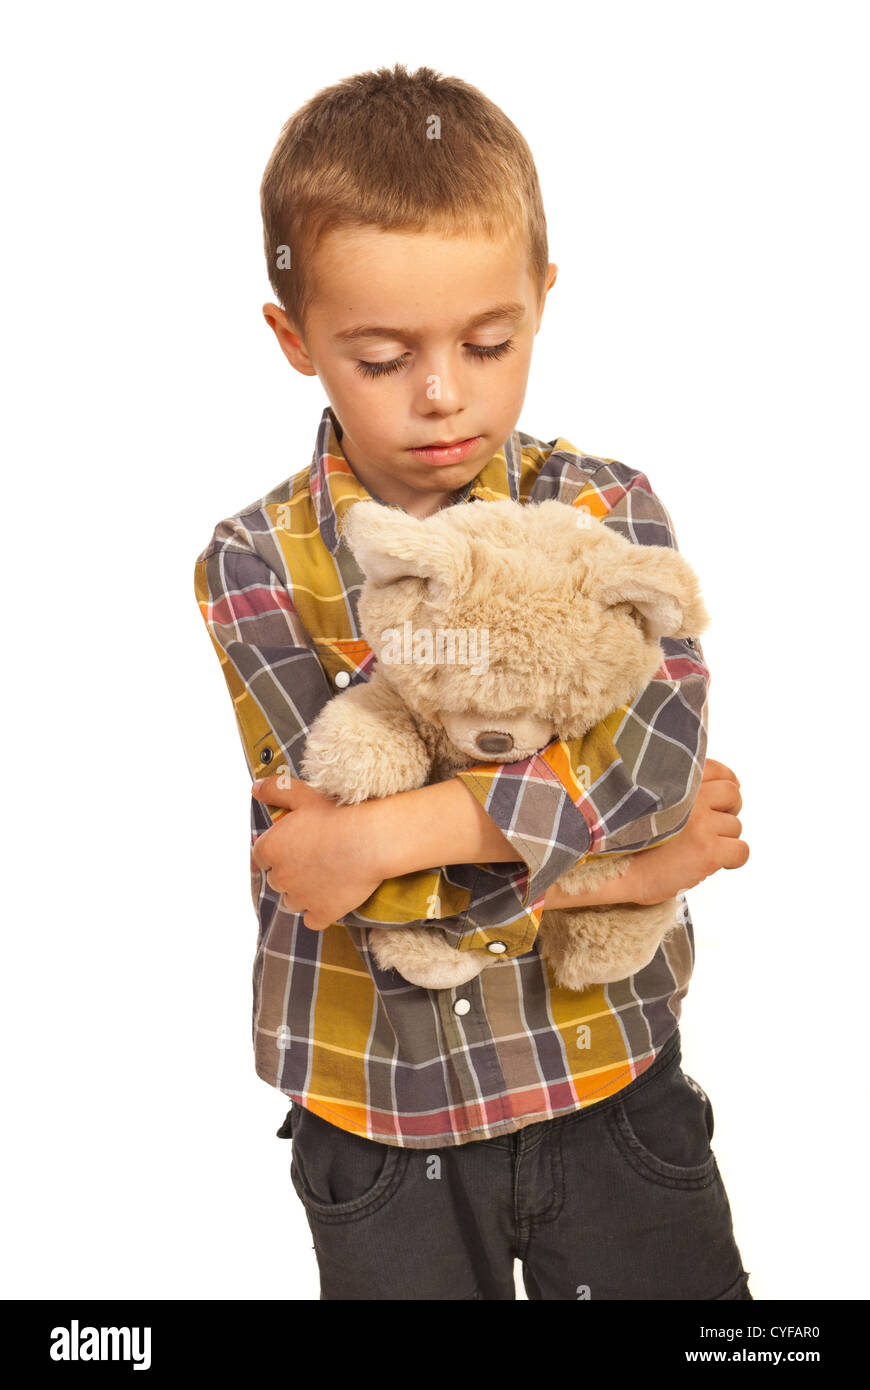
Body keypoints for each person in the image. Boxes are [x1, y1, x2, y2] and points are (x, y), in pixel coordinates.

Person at [193, 62, 752, 1300]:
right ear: (295, 339)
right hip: (378, 1116)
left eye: (488, 342)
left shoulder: (604, 507)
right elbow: (336, 877)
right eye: (383, 356)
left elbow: (656, 762)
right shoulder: (255, 561)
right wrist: (643, 868)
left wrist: (402, 830)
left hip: (608, 1079)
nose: (444, 393)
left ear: (541, 303)